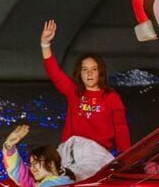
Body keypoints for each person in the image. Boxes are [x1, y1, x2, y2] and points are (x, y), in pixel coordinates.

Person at [39, 21, 133, 155]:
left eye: (93, 69)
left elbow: (121, 128)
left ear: (100, 72)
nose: (89, 73)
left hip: (99, 155)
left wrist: (125, 156)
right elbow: (54, 72)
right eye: (85, 69)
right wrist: (45, 44)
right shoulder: (74, 92)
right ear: (80, 73)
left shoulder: (111, 97)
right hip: (72, 152)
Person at [2, 123, 116, 187]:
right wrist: (9, 145)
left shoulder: (59, 185)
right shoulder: (41, 183)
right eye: (31, 164)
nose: (32, 168)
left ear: (51, 164)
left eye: (36, 163)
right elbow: (21, 174)